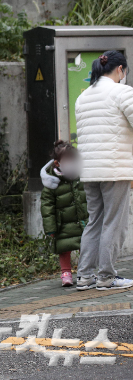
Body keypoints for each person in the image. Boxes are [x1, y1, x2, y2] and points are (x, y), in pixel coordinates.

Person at [75, 51, 133, 291]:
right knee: (113, 222)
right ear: (120, 69)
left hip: (89, 169)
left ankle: (85, 276)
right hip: (115, 168)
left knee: (94, 220)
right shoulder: (122, 92)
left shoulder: (83, 96)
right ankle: (106, 276)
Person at [40, 141, 88, 287]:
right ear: (57, 163)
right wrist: (51, 228)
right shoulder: (51, 183)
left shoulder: (81, 178)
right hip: (62, 223)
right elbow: (47, 206)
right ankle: (66, 272)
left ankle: (84, 271)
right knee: (64, 248)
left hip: (82, 221)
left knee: (85, 246)